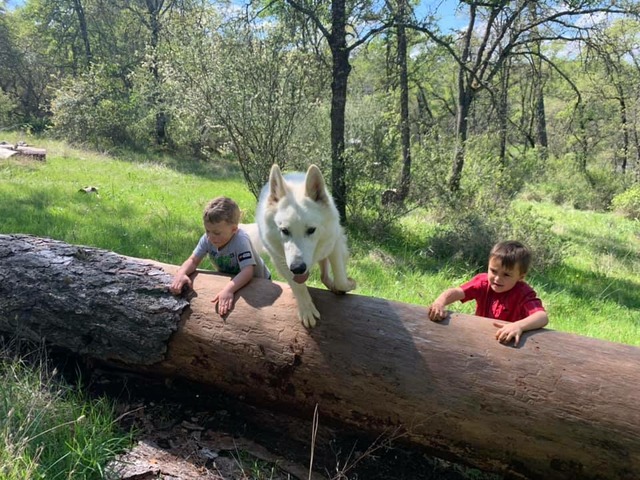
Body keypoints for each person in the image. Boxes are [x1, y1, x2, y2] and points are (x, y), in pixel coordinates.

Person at [428, 240, 548, 346]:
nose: (497, 279)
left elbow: (541, 317)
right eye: (493, 271)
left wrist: (518, 326)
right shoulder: (483, 282)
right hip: (479, 337)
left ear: (520, 277)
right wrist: (440, 302)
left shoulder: (522, 293)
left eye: (506, 275)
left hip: (507, 342)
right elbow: (457, 292)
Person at [170, 196, 270, 316]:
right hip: (232, 278)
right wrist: (182, 273)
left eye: (217, 233)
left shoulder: (240, 240)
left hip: (259, 280)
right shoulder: (208, 239)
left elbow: (248, 271)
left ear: (234, 230)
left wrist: (228, 290)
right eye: (207, 231)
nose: (210, 237)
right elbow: (193, 260)